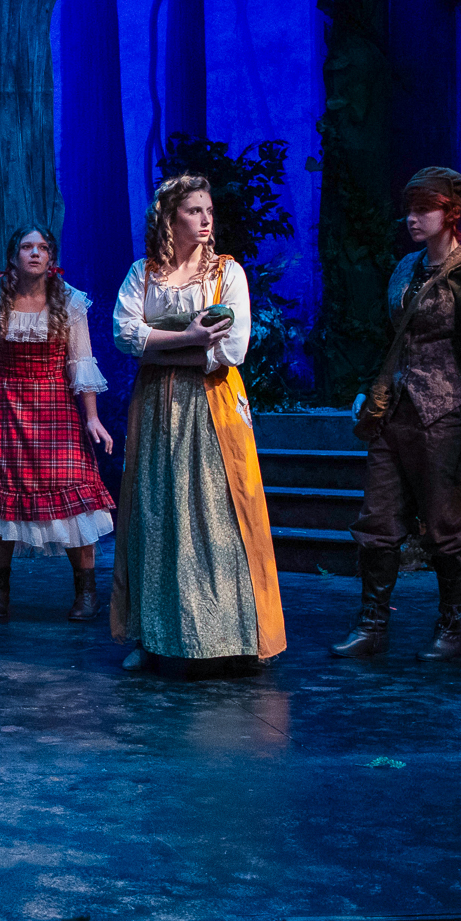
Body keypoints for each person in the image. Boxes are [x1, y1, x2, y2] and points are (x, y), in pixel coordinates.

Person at [109, 174, 286, 676]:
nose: (206, 219)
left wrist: (161, 348)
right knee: (157, 514)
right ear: (170, 218)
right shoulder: (144, 274)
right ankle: (152, 634)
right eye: (194, 211)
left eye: (209, 210)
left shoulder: (227, 273)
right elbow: (125, 335)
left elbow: (232, 349)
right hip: (157, 408)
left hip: (213, 403)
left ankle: (235, 638)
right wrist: (189, 336)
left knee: (220, 511)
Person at [333, 167, 461, 663]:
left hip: (444, 414)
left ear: (450, 213)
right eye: (409, 208)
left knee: (446, 524)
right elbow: (393, 339)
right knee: (378, 520)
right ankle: (372, 626)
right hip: (394, 415)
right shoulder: (406, 268)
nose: (412, 218)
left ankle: (452, 628)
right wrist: (370, 389)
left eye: (424, 209)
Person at [0, 226, 115, 620]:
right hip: (5, 407)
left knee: (73, 495)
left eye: (43, 248)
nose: (35, 253)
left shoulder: (70, 300)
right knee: (0, 500)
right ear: (14, 256)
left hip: (56, 406)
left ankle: (86, 593)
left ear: (51, 257)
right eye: (27, 247)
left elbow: (80, 361)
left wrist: (92, 417)